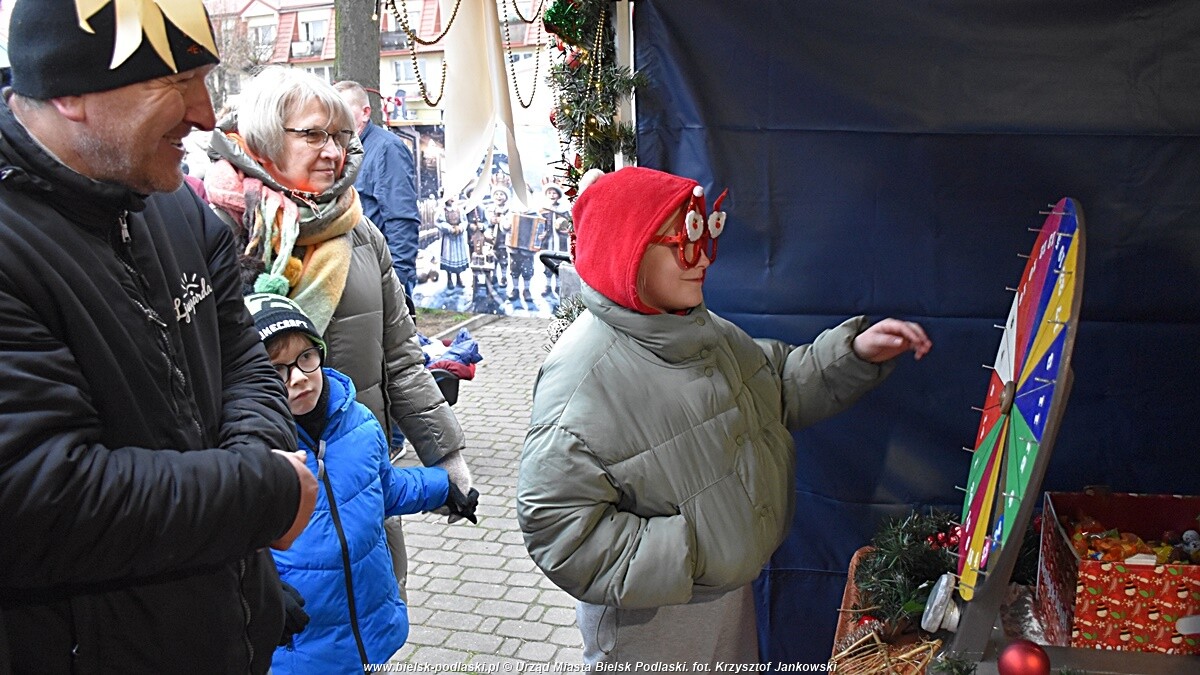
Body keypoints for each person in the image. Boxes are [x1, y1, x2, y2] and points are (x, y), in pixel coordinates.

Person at [0, 1, 318, 672]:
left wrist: (253, 465)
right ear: (69, 93)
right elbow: (38, 493)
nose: (205, 114)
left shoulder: (174, 205)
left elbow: (243, 358)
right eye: (176, 83)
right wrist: (257, 492)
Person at [516, 167, 932, 668]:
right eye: (681, 244)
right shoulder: (581, 381)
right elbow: (559, 531)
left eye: (703, 238)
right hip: (651, 620)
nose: (701, 261)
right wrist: (693, 550)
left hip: (723, 597)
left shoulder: (699, 331)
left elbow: (772, 387)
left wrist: (853, 354)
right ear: (627, 253)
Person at [202, 65, 474, 603]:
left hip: (358, 490)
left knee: (369, 623)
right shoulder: (216, 232)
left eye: (341, 136)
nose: (333, 152)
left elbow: (401, 358)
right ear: (265, 137)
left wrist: (447, 458)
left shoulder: (361, 234)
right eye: (313, 135)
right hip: (266, 505)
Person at [245, 293, 478, 674]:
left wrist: (442, 486)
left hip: (369, 628)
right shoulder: (250, 455)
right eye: (277, 369)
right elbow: (226, 542)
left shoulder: (361, 424)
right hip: (302, 648)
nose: (299, 377)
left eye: (306, 357)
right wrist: (257, 592)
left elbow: (383, 489)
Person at [333, 81, 421, 315]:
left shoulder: (387, 149)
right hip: (353, 274)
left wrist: (396, 282)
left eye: (343, 110)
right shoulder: (339, 151)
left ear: (365, 113)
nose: (336, 118)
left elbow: (402, 219)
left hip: (381, 276)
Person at [537, 184, 571, 298]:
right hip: (548, 241)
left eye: (554, 193)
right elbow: (539, 225)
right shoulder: (543, 210)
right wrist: (540, 234)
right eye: (549, 193)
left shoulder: (564, 210)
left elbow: (570, 223)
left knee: (559, 263)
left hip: (561, 241)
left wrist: (567, 229)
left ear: (558, 195)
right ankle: (547, 286)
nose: (552, 195)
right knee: (548, 263)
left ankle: (558, 286)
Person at [437, 195, 470, 291]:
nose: (451, 199)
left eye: (453, 196)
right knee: (449, 257)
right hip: (448, 238)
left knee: (458, 257)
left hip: (458, 238)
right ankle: (449, 279)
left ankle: (459, 278)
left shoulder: (459, 209)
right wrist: (449, 228)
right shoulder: (442, 211)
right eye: (449, 197)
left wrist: (460, 228)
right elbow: (438, 222)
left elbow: (465, 221)